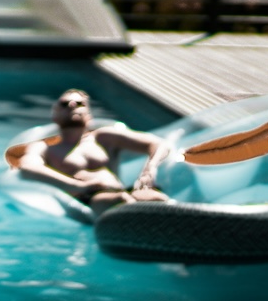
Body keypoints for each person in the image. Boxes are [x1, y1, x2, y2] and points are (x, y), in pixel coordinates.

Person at [15, 88, 169, 216]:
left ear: (89, 114)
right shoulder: (45, 148)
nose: (73, 104)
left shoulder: (104, 138)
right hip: (88, 198)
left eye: (80, 103)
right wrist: (78, 186)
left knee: (158, 199)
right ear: (54, 114)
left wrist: (150, 168)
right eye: (65, 103)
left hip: (120, 190)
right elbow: (27, 168)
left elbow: (159, 144)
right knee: (120, 201)